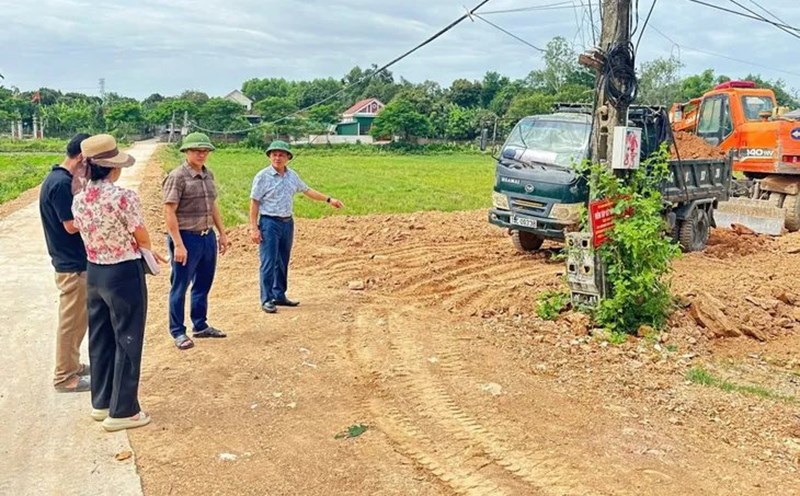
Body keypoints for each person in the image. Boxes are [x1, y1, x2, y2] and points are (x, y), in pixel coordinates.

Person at [72, 134, 164, 431]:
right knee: (127, 337)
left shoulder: (79, 199)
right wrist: (148, 251)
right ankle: (123, 410)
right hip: (122, 271)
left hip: (95, 271)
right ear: (113, 167)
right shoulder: (123, 197)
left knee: (100, 337)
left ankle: (101, 402)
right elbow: (141, 235)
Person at [249, 140, 343, 313]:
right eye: (274, 154)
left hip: (287, 222)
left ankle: (279, 295)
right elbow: (254, 202)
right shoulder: (262, 176)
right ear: (269, 156)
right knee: (269, 262)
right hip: (269, 223)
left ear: (288, 158)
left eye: (282, 155)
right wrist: (254, 228)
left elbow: (307, 190)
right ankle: (267, 299)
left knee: (283, 260)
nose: (278, 158)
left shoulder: (292, 176)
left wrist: (329, 199)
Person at [163, 132, 229, 350]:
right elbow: (169, 212)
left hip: (206, 237)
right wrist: (178, 244)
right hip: (186, 239)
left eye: (205, 150)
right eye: (196, 150)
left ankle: (200, 325)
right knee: (180, 286)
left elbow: (213, 206)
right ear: (186, 152)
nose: (202, 154)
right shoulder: (177, 177)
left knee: (203, 284)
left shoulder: (208, 175)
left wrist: (222, 233)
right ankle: (178, 331)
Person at [39, 133, 91, 393]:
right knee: (71, 322)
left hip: (73, 262)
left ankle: (73, 364)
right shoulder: (60, 183)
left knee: (78, 320)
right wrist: (99, 215)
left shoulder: (61, 179)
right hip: (72, 265)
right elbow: (70, 226)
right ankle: (64, 377)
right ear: (81, 158)